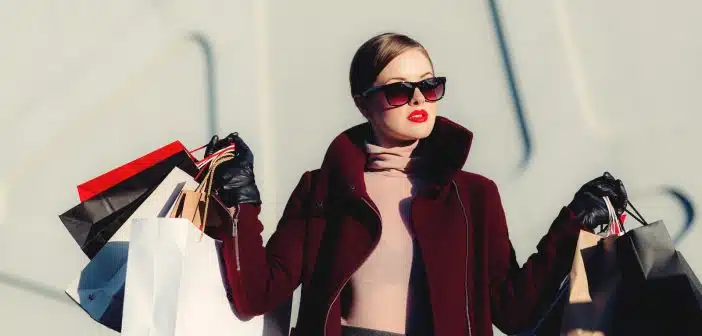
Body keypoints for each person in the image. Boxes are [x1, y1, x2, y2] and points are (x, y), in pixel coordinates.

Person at [204, 32, 627, 336]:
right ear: (362, 102)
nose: (420, 99)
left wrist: (575, 223)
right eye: (399, 91)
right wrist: (241, 199)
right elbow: (255, 295)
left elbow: (513, 313)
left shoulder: (475, 196)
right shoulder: (324, 190)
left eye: (429, 85)